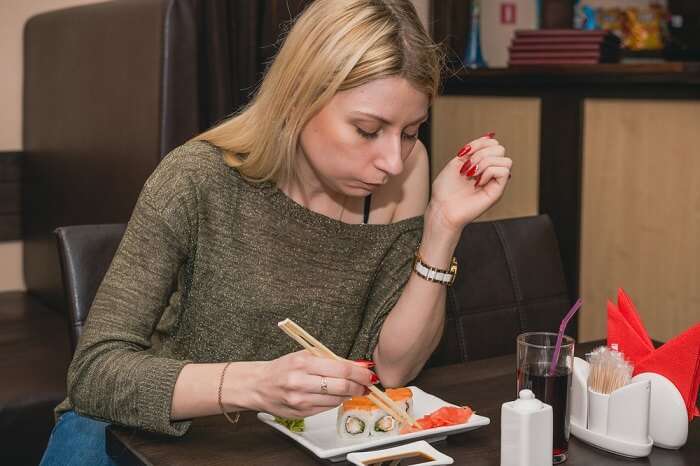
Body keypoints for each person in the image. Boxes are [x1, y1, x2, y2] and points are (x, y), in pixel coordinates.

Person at [40, 0, 511, 464]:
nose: (392, 161)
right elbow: (95, 374)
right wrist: (256, 385)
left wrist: (442, 226)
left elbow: (392, 371)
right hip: (136, 439)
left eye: (411, 132)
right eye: (368, 129)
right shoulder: (196, 178)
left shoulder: (405, 175)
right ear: (299, 99)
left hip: (284, 448)